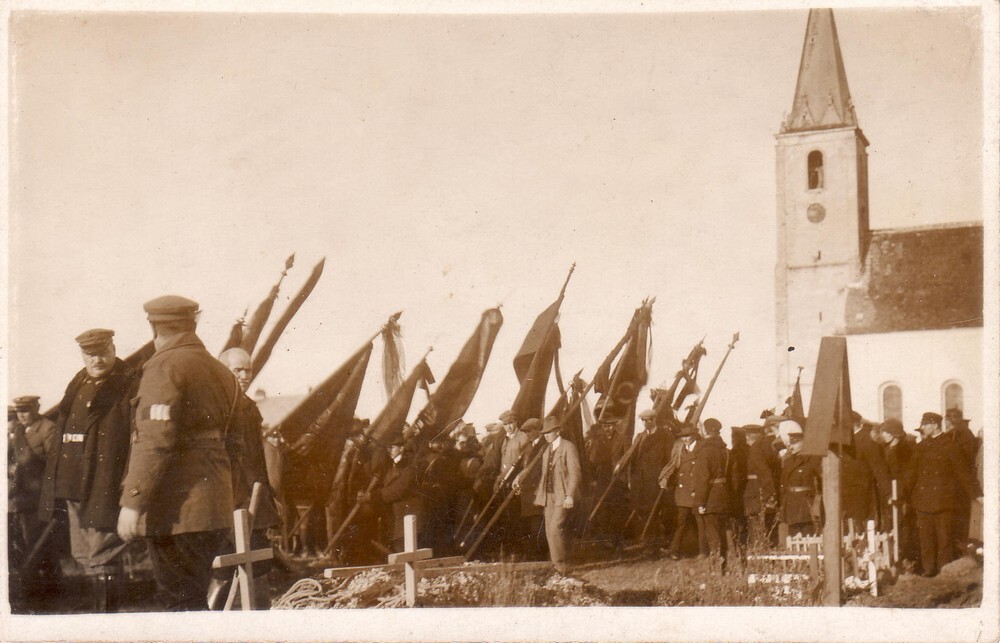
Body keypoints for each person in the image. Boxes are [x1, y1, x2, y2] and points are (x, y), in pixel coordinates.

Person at [116, 295, 243, 611]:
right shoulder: (220, 369)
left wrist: (133, 501)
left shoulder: (164, 365)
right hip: (214, 506)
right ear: (193, 323)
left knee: (179, 605)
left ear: (153, 327)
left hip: (178, 511)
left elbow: (154, 439)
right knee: (195, 599)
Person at [36, 330, 138, 612]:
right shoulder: (78, 383)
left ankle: (106, 618)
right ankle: (97, 616)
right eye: (90, 354)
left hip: (106, 483)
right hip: (74, 485)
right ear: (82, 355)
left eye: (103, 352)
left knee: (103, 552)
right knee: (84, 554)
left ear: (114, 348)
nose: (97, 359)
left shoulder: (128, 384)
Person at [211, 347, 279, 609]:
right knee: (224, 564)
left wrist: (266, 498)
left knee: (258, 562)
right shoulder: (213, 405)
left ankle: (257, 617)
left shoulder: (249, 408)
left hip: (254, 498)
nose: (243, 375)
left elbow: (256, 459)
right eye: (237, 369)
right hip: (224, 499)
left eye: (247, 369)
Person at [904, 412, 982, 577]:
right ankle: (928, 571)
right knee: (926, 540)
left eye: (925, 424)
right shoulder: (920, 446)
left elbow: (964, 473)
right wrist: (902, 496)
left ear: (935, 425)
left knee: (944, 540)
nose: (923, 428)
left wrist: (978, 495)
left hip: (944, 502)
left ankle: (944, 574)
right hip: (923, 501)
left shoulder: (951, 446)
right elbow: (911, 474)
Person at [8, 395, 58, 577]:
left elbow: (54, 462)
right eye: (19, 412)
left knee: (40, 540)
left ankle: (50, 582)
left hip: (39, 494)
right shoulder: (18, 430)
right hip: (21, 494)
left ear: (36, 408)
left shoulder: (47, 428)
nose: (21, 416)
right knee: (24, 539)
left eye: (26, 411)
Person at [533, 416, 581, 574]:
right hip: (549, 495)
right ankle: (556, 565)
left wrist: (570, 495)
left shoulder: (568, 447)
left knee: (556, 528)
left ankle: (562, 565)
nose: (546, 435)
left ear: (557, 431)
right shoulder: (547, 450)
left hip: (563, 495)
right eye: (544, 433)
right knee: (549, 530)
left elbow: (575, 473)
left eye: (549, 432)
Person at [626, 408, 673, 545]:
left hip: (655, 480)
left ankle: (657, 542)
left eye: (648, 420)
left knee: (655, 511)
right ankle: (646, 540)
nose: (645, 423)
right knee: (642, 510)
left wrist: (665, 477)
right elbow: (632, 459)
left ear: (654, 420)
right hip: (640, 481)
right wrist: (631, 479)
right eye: (643, 420)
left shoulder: (665, 436)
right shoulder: (640, 437)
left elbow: (668, 459)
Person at [840, 411, 892, 532]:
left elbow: (879, 468)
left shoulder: (867, 441)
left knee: (864, 528)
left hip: (864, 493)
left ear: (852, 424)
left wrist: (888, 492)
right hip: (847, 493)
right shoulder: (845, 440)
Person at [662, 424, 703, 560]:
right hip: (682, 492)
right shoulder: (679, 449)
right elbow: (677, 468)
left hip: (695, 491)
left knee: (700, 522)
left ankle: (703, 551)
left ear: (694, 435)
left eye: (688, 436)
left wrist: (695, 489)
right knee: (682, 522)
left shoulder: (700, 448)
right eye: (683, 437)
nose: (685, 439)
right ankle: (674, 550)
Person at [693, 418, 730, 565]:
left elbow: (702, 479)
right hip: (724, 495)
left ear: (705, 431)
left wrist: (700, 502)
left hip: (710, 497)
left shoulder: (705, 452)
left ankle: (717, 565)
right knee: (723, 531)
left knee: (712, 532)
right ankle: (725, 562)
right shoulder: (726, 451)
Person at [511, 418, 548, 560]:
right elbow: (525, 467)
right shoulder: (528, 447)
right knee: (529, 522)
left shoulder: (544, 446)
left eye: (530, 431)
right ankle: (532, 553)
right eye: (526, 432)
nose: (528, 434)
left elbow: (539, 469)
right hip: (527, 490)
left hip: (537, 488)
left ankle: (540, 555)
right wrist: (519, 480)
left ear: (539, 430)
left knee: (537, 523)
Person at [779, 421, 822, 537]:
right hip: (791, 506)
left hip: (806, 505)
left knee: (810, 537)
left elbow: (820, 482)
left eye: (795, 443)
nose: (790, 446)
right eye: (789, 444)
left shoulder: (812, 459)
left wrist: (817, 503)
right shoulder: (787, 461)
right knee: (793, 538)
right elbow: (783, 485)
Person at [742, 424, 779, 548]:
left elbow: (764, 473)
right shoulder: (766, 447)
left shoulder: (755, 449)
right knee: (767, 528)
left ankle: (760, 554)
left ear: (748, 437)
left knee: (757, 529)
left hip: (756, 493)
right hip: (760, 492)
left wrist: (769, 495)